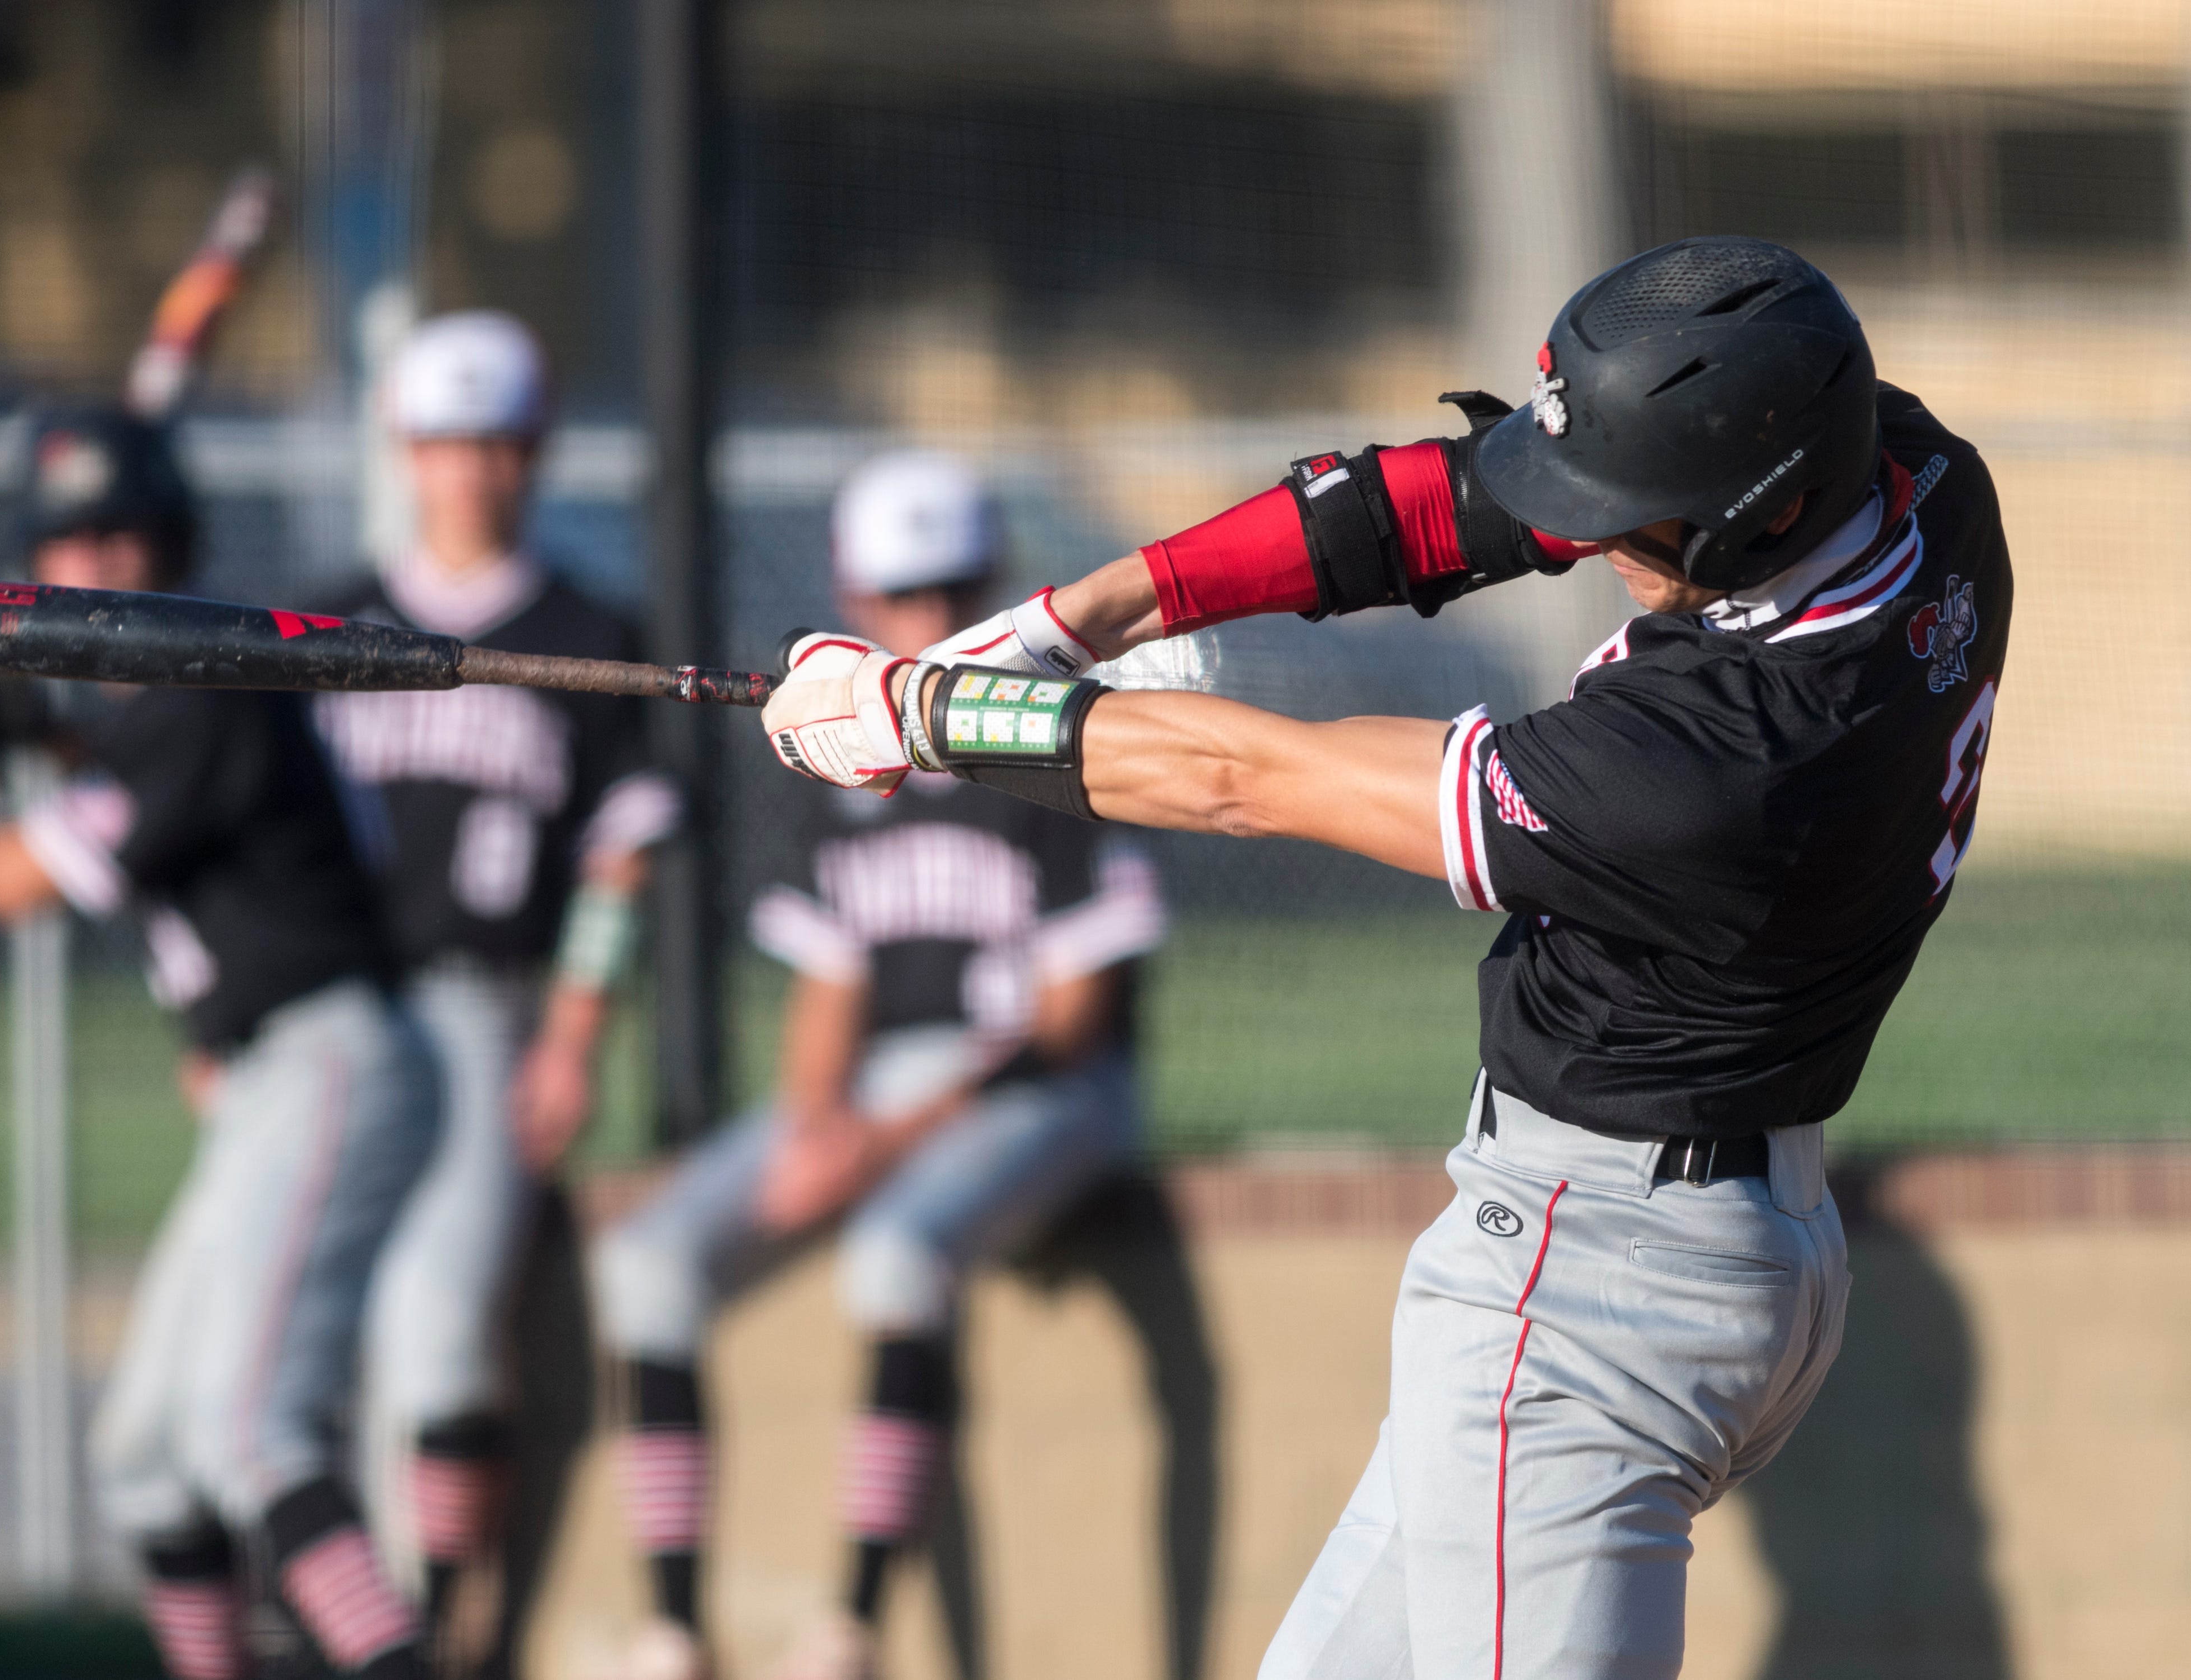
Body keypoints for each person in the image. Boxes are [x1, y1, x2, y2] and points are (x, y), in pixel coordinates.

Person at [758, 237, 2011, 1678]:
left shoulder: (1716, 769)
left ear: (1751, 514)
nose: (1586, 538)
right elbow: (1434, 510)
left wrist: (933, 721)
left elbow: (1254, 781)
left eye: (1631, 516)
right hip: (1742, 1245)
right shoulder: (1917, 482)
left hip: (1585, 1296)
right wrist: (1075, 617)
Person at [573, 450, 1167, 1680]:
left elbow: (1069, 1020)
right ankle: (674, 1628)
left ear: (993, 579)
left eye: (948, 587)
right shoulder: (850, 749)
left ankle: (846, 1627)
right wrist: (812, 1121)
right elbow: (829, 989)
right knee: (644, 1263)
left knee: (893, 1253)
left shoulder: (1053, 732)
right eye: (898, 594)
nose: (926, 620)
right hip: (896, 1084)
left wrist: (880, 1141)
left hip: (1043, 1088)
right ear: (854, 594)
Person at [0, 410, 439, 1680]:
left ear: (170, 542)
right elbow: (110, 774)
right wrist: (25, 733)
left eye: (122, 532)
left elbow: (13, 879)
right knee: (143, 1453)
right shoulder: (161, 705)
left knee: (251, 1433)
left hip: (332, 1059)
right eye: (72, 538)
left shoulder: (202, 687)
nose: (101, 560)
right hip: (268, 1081)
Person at [311, 311, 676, 1654]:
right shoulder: (325, 617)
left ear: (534, 452)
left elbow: (622, 860)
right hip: (340, 1011)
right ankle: (348, 1621)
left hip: (484, 1005)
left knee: (437, 1327)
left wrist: (574, 1031)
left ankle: (429, 1627)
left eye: (496, 442)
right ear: (405, 448)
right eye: (446, 440)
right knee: (316, 1332)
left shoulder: (584, 629)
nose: (470, 469)